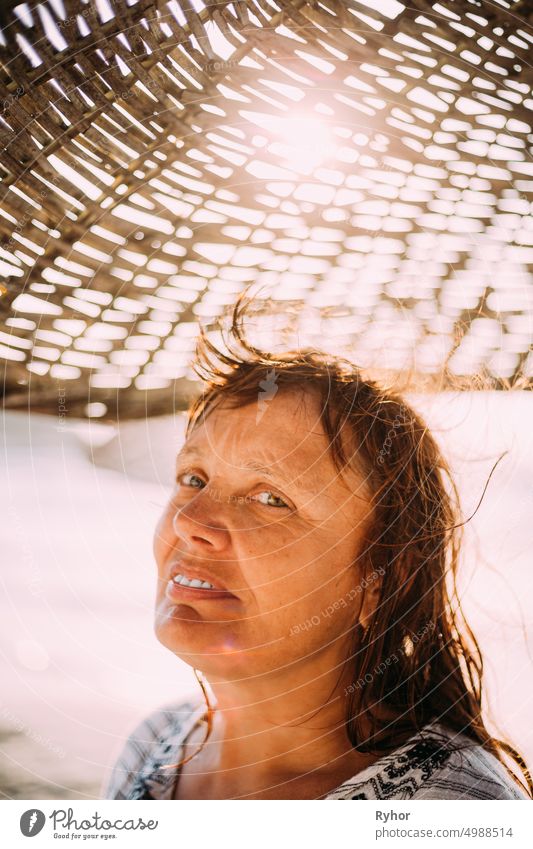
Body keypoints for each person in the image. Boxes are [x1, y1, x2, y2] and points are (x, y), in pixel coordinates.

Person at [103, 294, 531, 800]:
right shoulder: (155, 747)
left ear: (384, 578)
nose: (190, 522)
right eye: (193, 478)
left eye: (270, 498)